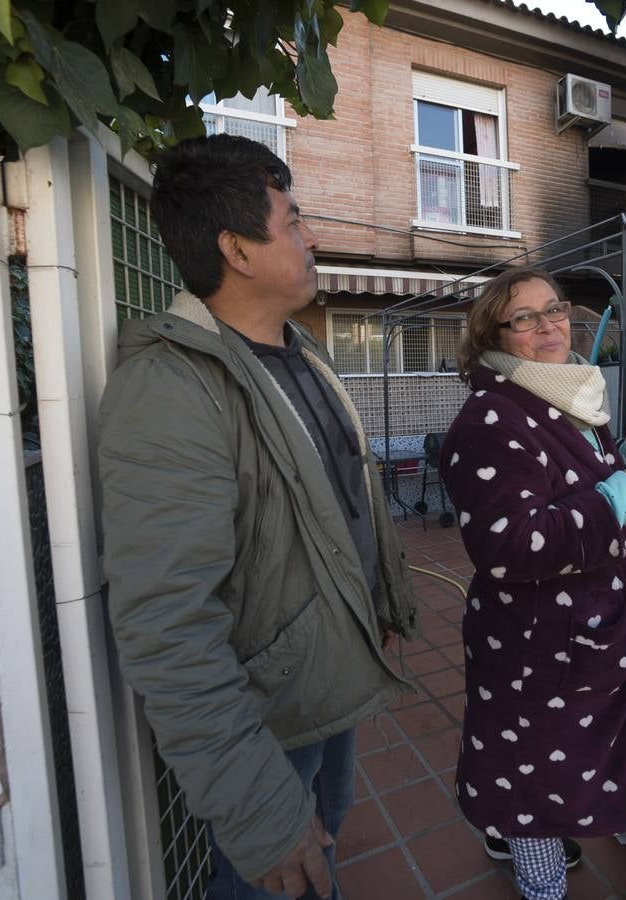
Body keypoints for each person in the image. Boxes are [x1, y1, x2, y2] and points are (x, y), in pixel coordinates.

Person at [97, 134, 420, 900]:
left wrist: (379, 602)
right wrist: (255, 806)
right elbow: (166, 623)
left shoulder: (304, 355)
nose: (312, 239)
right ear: (237, 250)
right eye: (294, 220)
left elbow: (341, 502)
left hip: (329, 674)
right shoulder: (170, 389)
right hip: (266, 712)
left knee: (326, 838)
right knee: (279, 870)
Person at [441, 267, 626, 900]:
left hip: (583, 633)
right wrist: (618, 497)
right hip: (537, 647)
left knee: (556, 765)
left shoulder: (562, 394)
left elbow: (575, 482)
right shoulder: (489, 418)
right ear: (494, 336)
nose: (549, 326)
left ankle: (520, 841)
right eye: (525, 318)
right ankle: (540, 885)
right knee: (528, 777)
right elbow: (507, 544)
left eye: (554, 309)